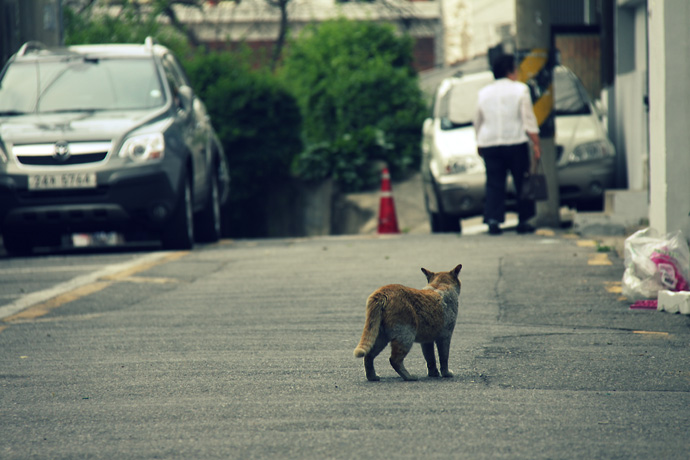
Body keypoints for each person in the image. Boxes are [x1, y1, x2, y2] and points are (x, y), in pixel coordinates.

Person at [473, 54, 541, 235]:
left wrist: (478, 142)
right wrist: (536, 143)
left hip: (490, 143)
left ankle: (493, 221)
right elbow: (528, 119)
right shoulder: (520, 90)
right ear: (510, 70)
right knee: (522, 181)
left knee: (494, 183)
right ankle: (524, 221)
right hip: (515, 142)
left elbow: (477, 121)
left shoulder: (483, 92)